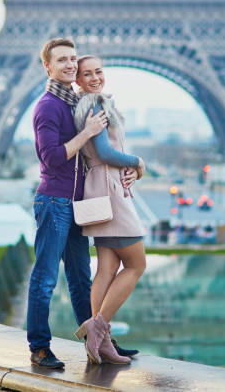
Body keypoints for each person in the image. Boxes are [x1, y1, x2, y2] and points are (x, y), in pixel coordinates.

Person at [27, 38, 138, 369]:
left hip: (76, 203)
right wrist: (88, 131)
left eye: (72, 59)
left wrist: (128, 170)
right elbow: (52, 157)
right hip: (54, 202)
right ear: (47, 67)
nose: (69, 64)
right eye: (61, 60)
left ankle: (99, 340)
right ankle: (39, 347)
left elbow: (93, 158)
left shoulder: (74, 102)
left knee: (80, 280)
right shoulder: (48, 106)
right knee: (45, 279)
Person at [73, 55, 146, 365]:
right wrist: (139, 162)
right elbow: (104, 151)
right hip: (111, 192)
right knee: (136, 264)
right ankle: (97, 327)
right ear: (77, 79)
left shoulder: (87, 105)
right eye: (86, 73)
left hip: (99, 189)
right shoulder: (95, 106)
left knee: (105, 269)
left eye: (98, 71)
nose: (94, 77)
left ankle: (100, 343)